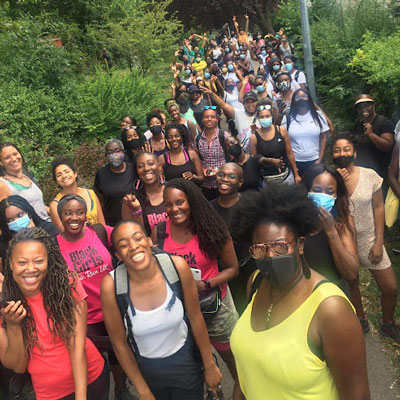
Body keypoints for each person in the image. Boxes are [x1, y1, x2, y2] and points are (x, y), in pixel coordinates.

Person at [230, 184, 370, 400]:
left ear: (300, 244)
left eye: (280, 246)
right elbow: (246, 367)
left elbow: (356, 395)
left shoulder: (331, 310)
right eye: (259, 248)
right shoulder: (255, 283)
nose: (270, 256)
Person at [101, 220, 222, 399]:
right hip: (148, 371)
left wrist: (210, 365)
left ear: (150, 241)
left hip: (186, 362)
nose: (133, 247)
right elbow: (119, 344)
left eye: (138, 238)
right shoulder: (112, 286)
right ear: (118, 255)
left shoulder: (177, 267)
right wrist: (142, 390)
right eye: (124, 245)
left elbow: (196, 317)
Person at [152, 178, 241, 398]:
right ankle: (214, 392)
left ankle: (242, 392)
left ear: (191, 201)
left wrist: (206, 283)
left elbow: (232, 268)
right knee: (199, 360)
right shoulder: (160, 231)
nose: (174, 209)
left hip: (215, 307)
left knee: (234, 359)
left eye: (180, 202)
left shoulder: (210, 227)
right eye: (169, 204)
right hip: (181, 313)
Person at [0, 227, 108, 400]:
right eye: (22, 262)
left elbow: (76, 346)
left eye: (38, 261)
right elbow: (18, 366)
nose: (30, 269)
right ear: (11, 264)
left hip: (91, 380)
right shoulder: (6, 305)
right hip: (50, 393)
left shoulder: (68, 285)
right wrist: (13, 325)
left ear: (48, 261)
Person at [55, 194, 131, 399]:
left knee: (120, 351)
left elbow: (130, 234)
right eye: (68, 213)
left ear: (85, 215)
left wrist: (136, 211)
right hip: (84, 318)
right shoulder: (54, 247)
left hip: (113, 308)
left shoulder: (98, 232)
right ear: (60, 216)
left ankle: (122, 389)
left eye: (79, 212)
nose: (74, 217)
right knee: (95, 360)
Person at [332, 135, 400, 340]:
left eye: (346, 149)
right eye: (337, 149)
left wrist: (379, 242)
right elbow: (325, 208)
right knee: (352, 283)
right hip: (344, 241)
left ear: (354, 152)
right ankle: (359, 318)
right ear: (332, 154)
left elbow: (379, 208)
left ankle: (387, 323)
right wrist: (338, 186)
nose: (342, 153)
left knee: (390, 287)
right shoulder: (328, 178)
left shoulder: (370, 175)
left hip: (369, 240)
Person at [303, 164, 358, 294]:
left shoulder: (343, 221)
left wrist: (331, 231)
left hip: (333, 293)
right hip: (302, 294)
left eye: (329, 192)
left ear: (336, 195)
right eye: (316, 190)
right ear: (306, 191)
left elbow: (351, 273)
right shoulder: (295, 220)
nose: (322, 196)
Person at [249, 99, 301, 185]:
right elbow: (254, 160)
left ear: (272, 116)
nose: (265, 119)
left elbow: (290, 153)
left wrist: (296, 175)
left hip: (286, 177)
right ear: (258, 118)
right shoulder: (254, 138)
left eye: (267, 116)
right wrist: (270, 161)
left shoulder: (282, 131)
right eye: (262, 117)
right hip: (266, 180)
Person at [0, 195, 58, 270]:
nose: (16, 221)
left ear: (29, 212)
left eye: (20, 215)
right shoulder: (6, 244)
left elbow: (55, 261)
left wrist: (34, 235)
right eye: (10, 220)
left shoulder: (50, 230)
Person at [281, 89, 330, 176]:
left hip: (315, 160)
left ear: (309, 99)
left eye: (304, 96)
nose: (301, 99)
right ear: (293, 100)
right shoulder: (288, 118)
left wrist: (320, 159)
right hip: (295, 162)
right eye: (298, 97)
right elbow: (285, 140)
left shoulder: (318, 115)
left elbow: (324, 138)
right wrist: (292, 164)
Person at [49, 156, 105, 232]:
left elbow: (102, 224)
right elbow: (62, 232)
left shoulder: (90, 193)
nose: (64, 176)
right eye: (59, 175)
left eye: (67, 171)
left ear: (75, 173)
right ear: (56, 181)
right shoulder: (55, 205)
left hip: (99, 239)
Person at [200, 86, 258, 153]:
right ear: (243, 104)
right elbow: (224, 105)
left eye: (253, 101)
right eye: (247, 102)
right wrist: (212, 94)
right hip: (247, 154)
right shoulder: (238, 114)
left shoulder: (263, 115)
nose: (250, 104)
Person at [0, 143, 49, 222]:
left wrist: (56, 210)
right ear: (1, 162)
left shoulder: (26, 177)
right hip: (30, 232)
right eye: (7, 157)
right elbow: (3, 217)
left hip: (47, 224)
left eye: (15, 154)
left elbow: (37, 204)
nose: (13, 159)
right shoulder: (3, 185)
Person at [121, 152, 167, 233]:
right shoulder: (131, 199)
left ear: (160, 166)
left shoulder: (173, 189)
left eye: (150, 163)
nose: (146, 168)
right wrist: (137, 211)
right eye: (140, 166)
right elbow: (130, 233)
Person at [94, 139, 136, 227]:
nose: (114, 154)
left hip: (135, 220)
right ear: (106, 155)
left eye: (117, 150)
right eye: (110, 152)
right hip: (112, 223)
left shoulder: (133, 170)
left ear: (124, 152)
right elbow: (100, 199)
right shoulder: (101, 173)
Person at [353, 94, 394, 180]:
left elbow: (388, 146)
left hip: (380, 172)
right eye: (360, 107)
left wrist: (371, 134)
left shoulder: (383, 122)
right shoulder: (358, 124)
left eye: (367, 105)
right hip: (362, 171)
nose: (363, 109)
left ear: (373, 106)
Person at [196, 108, 230, 200]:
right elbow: (198, 159)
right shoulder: (198, 139)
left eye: (212, 117)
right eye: (206, 117)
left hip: (223, 183)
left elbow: (233, 159)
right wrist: (202, 170)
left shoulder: (224, 136)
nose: (209, 119)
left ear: (217, 120)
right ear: (202, 120)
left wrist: (218, 172)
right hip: (206, 185)